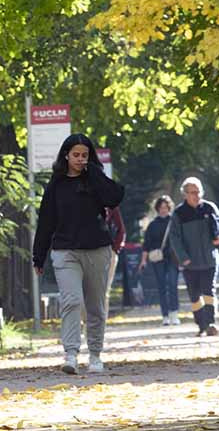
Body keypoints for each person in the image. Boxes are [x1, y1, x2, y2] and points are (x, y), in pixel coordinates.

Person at [33, 133, 126, 375]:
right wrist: (38, 255)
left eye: (84, 155)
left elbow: (115, 196)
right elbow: (46, 221)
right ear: (66, 155)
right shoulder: (56, 185)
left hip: (97, 249)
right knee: (72, 300)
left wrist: (94, 173)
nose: (80, 159)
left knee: (95, 306)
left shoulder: (95, 180)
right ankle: (71, 353)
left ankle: (95, 354)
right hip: (65, 251)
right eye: (76, 155)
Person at [169, 178, 219, 337]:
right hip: (190, 262)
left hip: (209, 258)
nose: (196, 195)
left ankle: (210, 323)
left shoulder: (209, 208)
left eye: (198, 192)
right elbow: (174, 237)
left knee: (209, 291)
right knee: (194, 295)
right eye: (192, 192)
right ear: (185, 194)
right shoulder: (179, 214)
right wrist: (183, 257)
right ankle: (201, 324)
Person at [139, 195, 181, 326]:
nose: (163, 210)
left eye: (165, 207)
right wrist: (143, 261)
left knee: (173, 285)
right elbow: (146, 244)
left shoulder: (174, 222)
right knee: (162, 286)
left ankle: (174, 313)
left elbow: (180, 240)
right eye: (161, 207)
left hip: (173, 259)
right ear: (157, 209)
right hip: (158, 259)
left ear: (169, 208)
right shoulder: (152, 225)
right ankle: (165, 315)